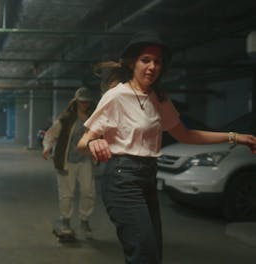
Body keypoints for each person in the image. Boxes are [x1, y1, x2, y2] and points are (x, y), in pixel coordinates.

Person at [77, 30, 256, 264]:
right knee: (144, 253)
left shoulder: (159, 98)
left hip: (148, 177)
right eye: (146, 60)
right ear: (132, 63)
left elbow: (186, 134)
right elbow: (83, 143)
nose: (152, 66)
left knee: (152, 253)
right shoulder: (116, 96)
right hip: (122, 178)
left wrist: (234, 137)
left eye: (157, 61)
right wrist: (94, 142)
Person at [42, 87, 97, 237]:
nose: (84, 104)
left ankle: (84, 221)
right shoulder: (66, 118)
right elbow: (51, 134)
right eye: (81, 101)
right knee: (67, 194)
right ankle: (65, 220)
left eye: (86, 101)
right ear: (76, 101)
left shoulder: (93, 118)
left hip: (85, 160)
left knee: (88, 191)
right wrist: (47, 147)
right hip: (67, 161)